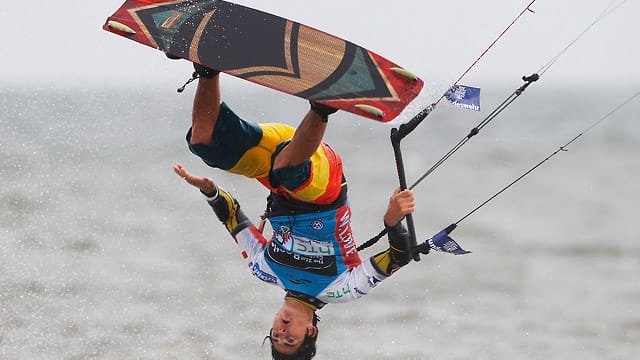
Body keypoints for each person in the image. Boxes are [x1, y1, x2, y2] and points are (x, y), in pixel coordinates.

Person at [173, 63, 416, 359]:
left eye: (275, 336)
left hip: (283, 158)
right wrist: (392, 220)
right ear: (310, 331)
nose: (282, 332)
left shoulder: (264, 269)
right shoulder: (342, 289)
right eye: (289, 340)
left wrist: (209, 190)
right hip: (321, 180)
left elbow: (233, 219)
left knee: (204, 144)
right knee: (286, 172)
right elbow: (400, 256)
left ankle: (208, 69)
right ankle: (324, 106)